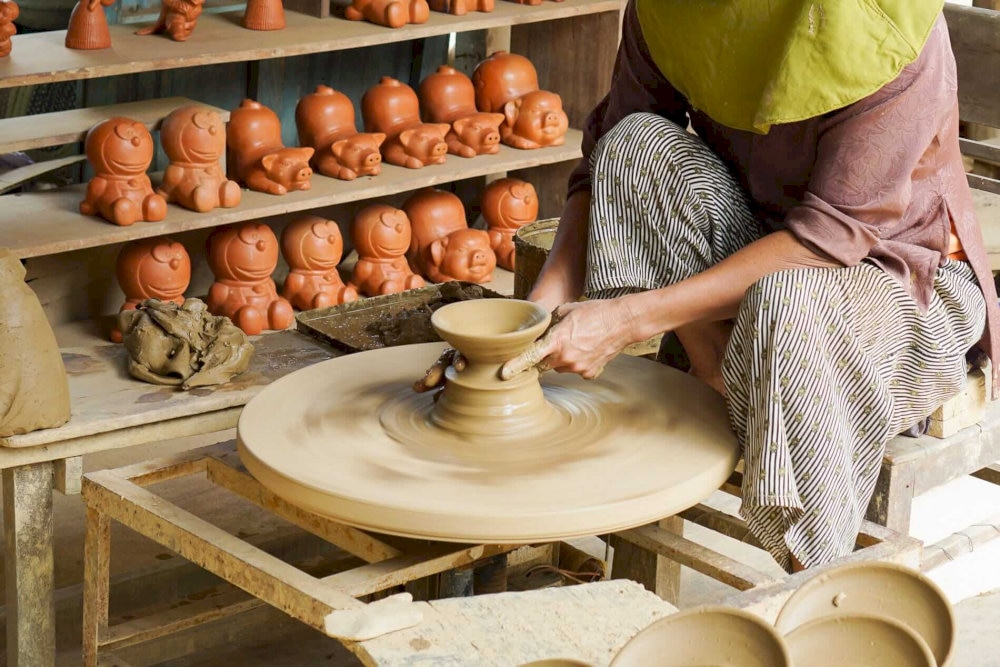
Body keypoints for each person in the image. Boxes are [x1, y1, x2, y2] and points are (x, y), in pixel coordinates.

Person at [497, 0, 1000, 572]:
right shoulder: (675, 10)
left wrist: (627, 319)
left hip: (901, 281)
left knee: (784, 300)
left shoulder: (889, 28)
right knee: (634, 146)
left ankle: (819, 584)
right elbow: (603, 162)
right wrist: (537, 312)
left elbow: (830, 239)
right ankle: (724, 382)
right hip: (754, 245)